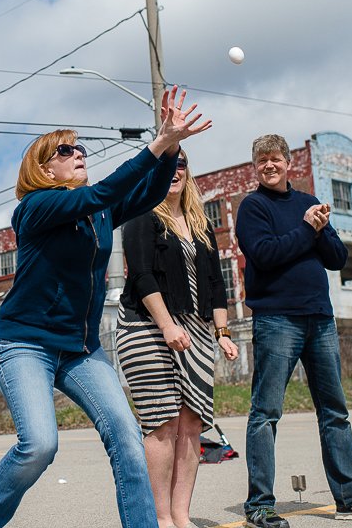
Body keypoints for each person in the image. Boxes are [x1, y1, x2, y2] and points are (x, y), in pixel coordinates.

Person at [0, 87, 211, 528]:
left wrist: (170, 144)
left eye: (80, 147)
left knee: (127, 437)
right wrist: (156, 144)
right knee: (39, 445)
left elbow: (148, 191)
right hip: (25, 344)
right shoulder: (35, 208)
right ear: (43, 167)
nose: (78, 153)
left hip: (80, 350)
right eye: (65, 149)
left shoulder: (96, 212)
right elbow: (103, 193)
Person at [235, 133, 352, 527]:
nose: (269, 166)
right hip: (276, 319)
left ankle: (351, 498)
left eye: (275, 159)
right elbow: (265, 255)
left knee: (335, 412)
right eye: (261, 161)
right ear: (255, 167)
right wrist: (307, 231)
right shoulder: (252, 207)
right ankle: (260, 505)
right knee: (266, 413)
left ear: (288, 163)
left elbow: (338, 259)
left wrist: (321, 228)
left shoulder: (309, 203)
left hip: (320, 318)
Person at [116, 147, 240, 528]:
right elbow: (140, 273)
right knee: (163, 420)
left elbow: (218, 283)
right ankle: (160, 517)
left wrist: (221, 331)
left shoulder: (200, 222)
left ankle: (181, 515)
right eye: (166, 165)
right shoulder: (141, 212)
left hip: (198, 331)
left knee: (191, 422)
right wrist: (168, 324)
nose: (174, 171)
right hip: (146, 325)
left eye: (180, 164)